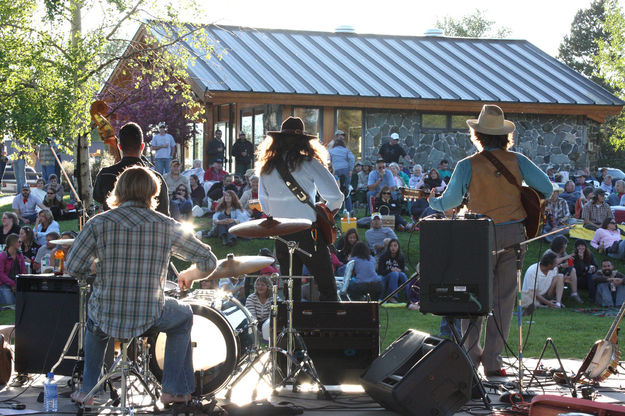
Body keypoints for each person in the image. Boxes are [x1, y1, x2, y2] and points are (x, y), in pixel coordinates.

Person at [66, 166, 221, 406]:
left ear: (119, 191)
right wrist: (190, 274)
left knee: (95, 323)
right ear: (152, 192)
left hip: (106, 313)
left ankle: (88, 391)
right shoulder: (166, 225)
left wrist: (94, 268)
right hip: (150, 314)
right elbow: (209, 261)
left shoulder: (99, 223)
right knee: (183, 315)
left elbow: (73, 266)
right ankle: (174, 390)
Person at [428, 104, 552, 376]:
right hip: (513, 234)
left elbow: (448, 202)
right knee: (504, 299)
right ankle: (494, 362)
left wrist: (432, 200)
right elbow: (547, 188)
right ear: (504, 136)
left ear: (479, 136)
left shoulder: (466, 165)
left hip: (477, 235)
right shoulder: (518, 161)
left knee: (472, 296)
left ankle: (471, 359)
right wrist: (521, 194)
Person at [257, 116, 343, 302]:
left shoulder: (266, 168)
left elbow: (265, 206)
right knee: (327, 287)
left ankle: (292, 329)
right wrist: (325, 214)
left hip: (280, 232)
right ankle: (330, 326)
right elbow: (336, 198)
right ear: (303, 141)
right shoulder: (309, 163)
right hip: (307, 232)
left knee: (290, 292)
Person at [93, 122, 170, 215]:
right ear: (142, 147)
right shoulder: (156, 179)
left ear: (119, 146)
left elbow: (98, 197)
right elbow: (164, 213)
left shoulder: (105, 175)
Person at [544, 236, 582, 304]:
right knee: (559, 274)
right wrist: (562, 264)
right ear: (560, 246)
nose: (566, 247)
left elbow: (570, 263)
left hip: (560, 273)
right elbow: (553, 263)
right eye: (565, 245)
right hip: (550, 275)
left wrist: (570, 262)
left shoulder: (563, 253)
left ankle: (574, 294)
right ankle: (555, 298)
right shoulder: (549, 252)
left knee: (573, 270)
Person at [376, 238, 409, 303]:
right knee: (394, 273)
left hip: (398, 276)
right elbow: (380, 272)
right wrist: (391, 270)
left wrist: (399, 270)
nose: (393, 248)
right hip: (385, 277)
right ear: (388, 247)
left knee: (402, 274)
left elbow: (402, 270)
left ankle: (409, 297)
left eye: (395, 245)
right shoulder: (383, 256)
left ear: (398, 247)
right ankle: (392, 297)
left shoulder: (401, 257)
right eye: (391, 246)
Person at [0, 234, 24, 305]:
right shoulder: (3, 256)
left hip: (16, 282)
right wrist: (12, 284)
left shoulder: (20, 255)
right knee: (10, 303)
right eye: (19, 242)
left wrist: (18, 284)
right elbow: (1, 274)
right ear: (13, 243)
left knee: (21, 302)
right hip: (4, 283)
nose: (21, 243)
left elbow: (22, 272)